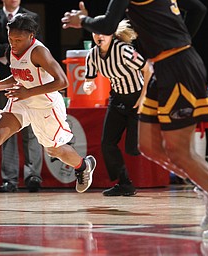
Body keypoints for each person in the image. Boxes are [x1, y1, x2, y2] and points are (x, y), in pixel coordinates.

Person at [62, 0, 208, 239]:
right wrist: (181, 41)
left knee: (179, 151)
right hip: (163, 66)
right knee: (148, 146)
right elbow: (199, 9)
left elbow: (109, 24)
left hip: (177, 66)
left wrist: (82, 21)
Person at [0, 13, 96, 203]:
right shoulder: (12, 50)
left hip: (45, 104)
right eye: (11, 39)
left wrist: (28, 93)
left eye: (18, 40)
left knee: (54, 150)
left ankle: (82, 166)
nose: (14, 43)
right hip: (22, 99)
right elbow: (19, 75)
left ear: (31, 36)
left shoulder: (39, 52)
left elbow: (62, 81)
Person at [83, 19, 151, 196]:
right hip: (117, 99)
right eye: (95, 33)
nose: (99, 36)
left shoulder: (123, 50)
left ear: (111, 34)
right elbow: (89, 80)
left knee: (133, 148)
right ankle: (124, 184)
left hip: (137, 98)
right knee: (107, 144)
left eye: (103, 33)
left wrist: (144, 97)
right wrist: (88, 86)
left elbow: (148, 69)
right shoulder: (92, 55)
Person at [0, 0, 43, 192]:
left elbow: (36, 46)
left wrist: (12, 52)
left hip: (30, 80)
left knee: (31, 130)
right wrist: (12, 52)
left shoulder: (31, 17)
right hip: (2, 78)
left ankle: (33, 175)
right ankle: (9, 179)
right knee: (4, 130)